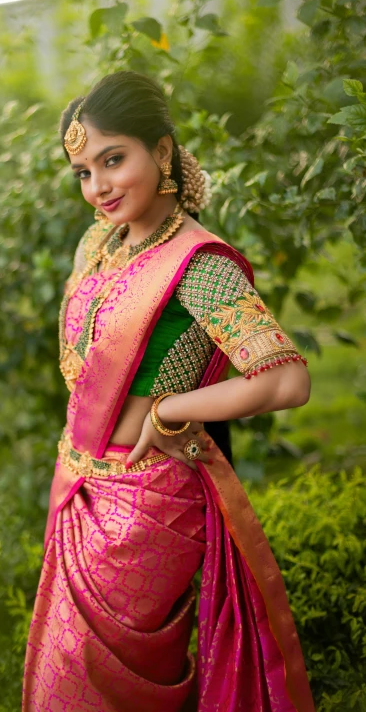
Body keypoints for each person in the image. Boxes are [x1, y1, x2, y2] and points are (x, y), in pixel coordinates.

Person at [22, 71, 315, 712]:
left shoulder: (199, 265)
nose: (97, 186)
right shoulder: (98, 243)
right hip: (78, 487)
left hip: (148, 507)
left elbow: (287, 380)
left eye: (112, 159)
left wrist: (172, 408)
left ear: (161, 152)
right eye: (82, 172)